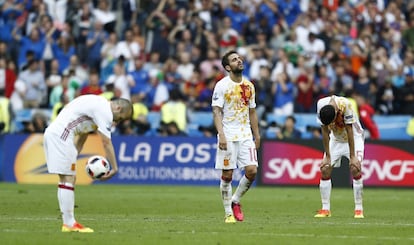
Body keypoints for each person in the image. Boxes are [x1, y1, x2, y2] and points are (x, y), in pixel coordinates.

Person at [43, 94, 133, 232]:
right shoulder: (105, 111)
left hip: (57, 133)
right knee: (68, 178)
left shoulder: (96, 105)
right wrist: (114, 168)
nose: (117, 122)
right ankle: (69, 224)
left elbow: (83, 134)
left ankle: (68, 223)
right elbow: (106, 142)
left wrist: (73, 155)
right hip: (62, 135)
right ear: (118, 107)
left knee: (67, 178)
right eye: (120, 118)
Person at [212, 50, 260, 223]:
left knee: (252, 170)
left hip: (246, 133)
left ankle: (236, 200)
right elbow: (216, 111)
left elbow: (252, 111)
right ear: (227, 67)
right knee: (228, 175)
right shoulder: (222, 85)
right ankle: (228, 214)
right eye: (234, 59)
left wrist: (257, 135)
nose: (239, 61)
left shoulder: (249, 86)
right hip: (229, 134)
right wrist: (221, 135)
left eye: (239, 58)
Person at [315, 95, 365, 219]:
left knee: (355, 168)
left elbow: (349, 130)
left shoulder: (345, 105)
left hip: (354, 138)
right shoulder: (321, 105)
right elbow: (325, 131)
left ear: (336, 113)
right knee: (325, 168)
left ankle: (359, 209)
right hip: (336, 140)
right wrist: (327, 155)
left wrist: (353, 156)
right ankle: (325, 209)